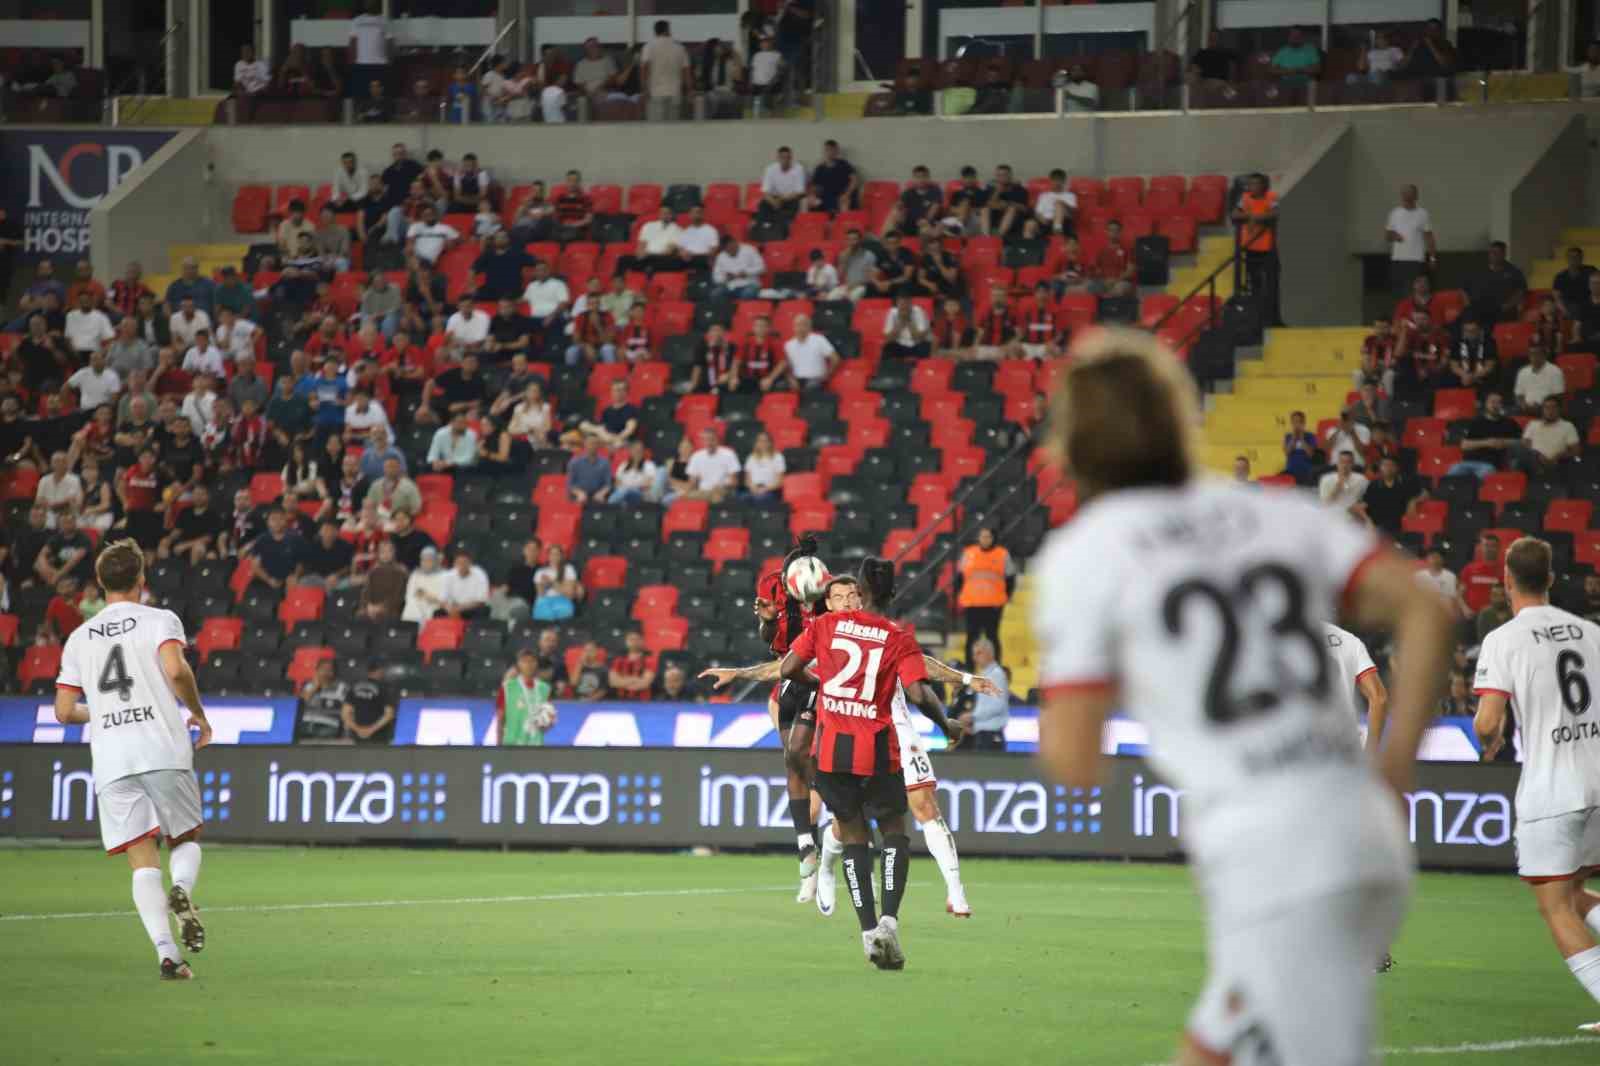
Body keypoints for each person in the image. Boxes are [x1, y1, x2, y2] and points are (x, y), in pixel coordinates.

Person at [1031, 327, 1454, 1066]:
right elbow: (1425, 607)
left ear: (1075, 445)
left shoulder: (1089, 552)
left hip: (1273, 860)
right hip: (1360, 832)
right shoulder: (1276, 514)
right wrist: (1394, 770)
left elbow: (1074, 760)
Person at [51, 538, 211, 980]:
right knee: (184, 838)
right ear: (142, 579)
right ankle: (181, 889)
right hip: (162, 746)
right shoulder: (160, 619)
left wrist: (102, 712)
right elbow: (176, 670)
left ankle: (168, 955)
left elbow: (64, 712)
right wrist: (197, 713)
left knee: (141, 859)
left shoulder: (79, 637)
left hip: (113, 758)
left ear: (100, 583)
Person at [1473, 537, 1600, 1033]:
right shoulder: (1591, 631)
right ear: (1551, 578)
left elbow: (1487, 723)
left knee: (1555, 906)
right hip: (1598, 779)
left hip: (1553, 789)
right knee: (1573, 892)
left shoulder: (1503, 639)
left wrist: (1493, 735)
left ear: (1506, 582)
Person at [957, 527, 1013, 667]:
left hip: (993, 604)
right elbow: (959, 577)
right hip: (972, 603)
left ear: (993, 538)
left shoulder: (1002, 554)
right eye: (982, 536)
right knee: (971, 638)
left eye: (988, 536)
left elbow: (1010, 578)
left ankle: (995, 667)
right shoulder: (968, 553)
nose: (985, 539)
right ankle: (970, 669)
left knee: (992, 637)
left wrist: (1006, 597)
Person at [1233, 172, 1282, 326]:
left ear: (1263, 186)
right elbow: (1235, 214)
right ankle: (1256, 321)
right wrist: (1254, 215)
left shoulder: (1271, 196)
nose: (1252, 187)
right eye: (1250, 184)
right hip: (1250, 248)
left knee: (1272, 286)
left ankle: (1274, 319)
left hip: (1267, 249)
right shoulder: (1245, 198)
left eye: (1256, 184)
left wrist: (1253, 217)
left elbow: (1274, 214)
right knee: (1254, 286)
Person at [1385, 184, 1435, 300]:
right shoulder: (1395, 213)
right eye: (1404, 194)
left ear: (1416, 196)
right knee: (1398, 292)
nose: (1406, 196)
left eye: (1410, 193)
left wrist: (1432, 258)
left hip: (1415, 260)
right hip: (1397, 259)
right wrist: (1394, 235)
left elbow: (1429, 237)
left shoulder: (1422, 214)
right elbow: (1387, 235)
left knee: (1414, 292)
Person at [962, 638, 1010, 751]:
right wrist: (974, 724)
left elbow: (998, 706)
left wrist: (972, 716)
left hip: (991, 735)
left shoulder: (996, 675)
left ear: (989, 653)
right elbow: (985, 706)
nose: (975, 658)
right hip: (983, 734)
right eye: (974, 654)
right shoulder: (985, 675)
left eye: (979, 653)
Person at [499, 648, 554, 746]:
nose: (529, 665)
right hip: (512, 745)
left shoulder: (544, 689)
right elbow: (500, 719)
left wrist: (548, 722)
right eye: (524, 661)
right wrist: (498, 746)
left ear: (537, 663)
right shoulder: (508, 687)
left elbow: (548, 722)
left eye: (532, 661)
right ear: (518, 664)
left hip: (536, 747)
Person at [640, 19, 692, 122]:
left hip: (655, 94)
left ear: (655, 31)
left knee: (655, 128)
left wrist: (644, 89)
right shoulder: (680, 48)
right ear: (667, 30)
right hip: (675, 93)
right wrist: (690, 90)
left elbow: (644, 69)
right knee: (673, 129)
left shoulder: (648, 47)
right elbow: (686, 72)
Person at [341, 662, 395, 743]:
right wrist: (370, 730)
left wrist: (358, 729)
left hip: (358, 737)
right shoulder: (384, 688)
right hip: (379, 737)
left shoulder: (355, 687)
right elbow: (389, 714)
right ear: (379, 671)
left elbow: (345, 713)